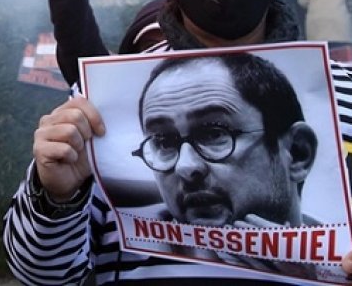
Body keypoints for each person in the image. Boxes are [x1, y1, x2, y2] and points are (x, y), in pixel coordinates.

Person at [3, 0, 352, 284]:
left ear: (297, 151)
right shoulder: (105, 104)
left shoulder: (342, 94)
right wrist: (54, 196)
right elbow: (40, 275)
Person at [128, 53, 317, 228]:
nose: (185, 167)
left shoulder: (344, 245)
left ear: (297, 153)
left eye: (214, 134)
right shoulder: (125, 248)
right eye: (164, 142)